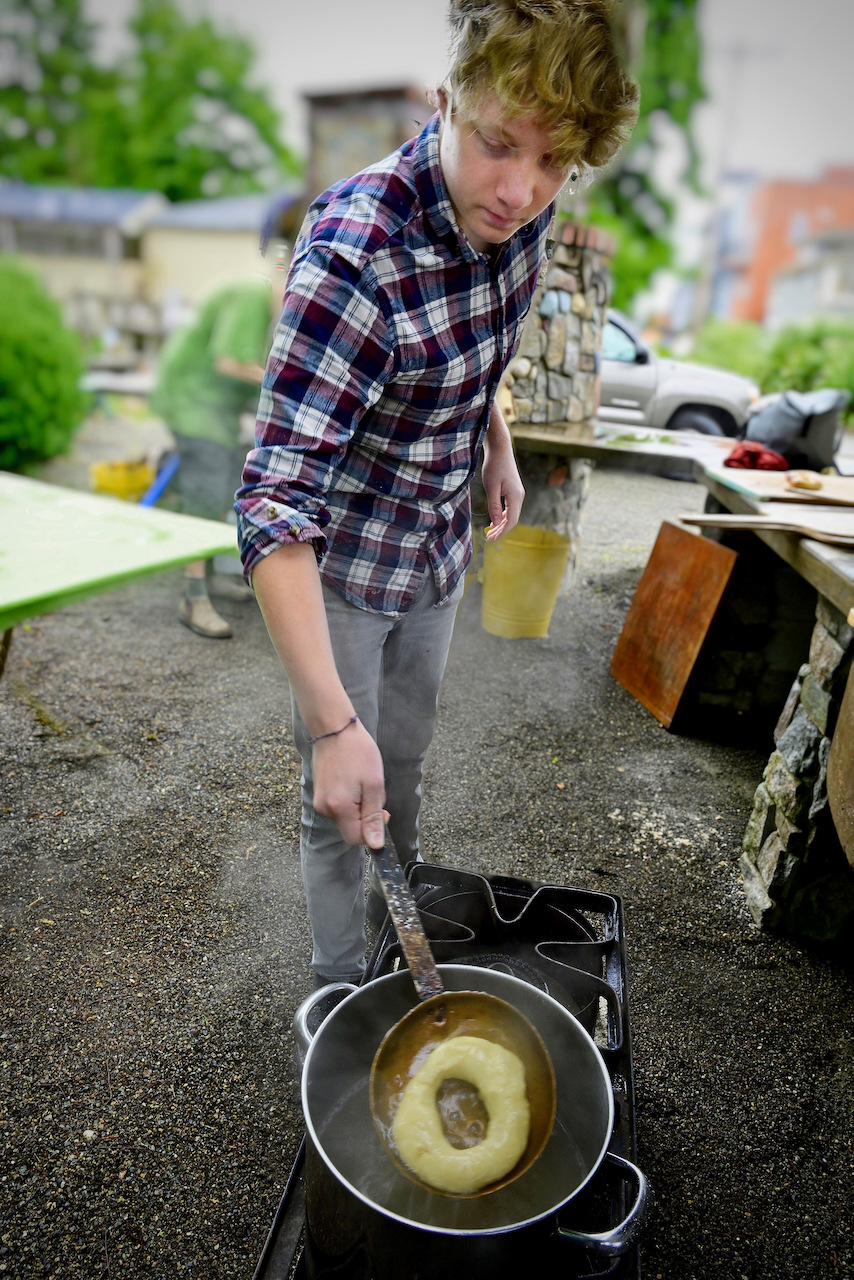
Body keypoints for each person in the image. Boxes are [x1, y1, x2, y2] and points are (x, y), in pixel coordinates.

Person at [236, 0, 638, 984]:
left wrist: (491, 442)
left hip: (434, 554)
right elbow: (272, 504)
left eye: (553, 166)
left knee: (400, 767)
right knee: (339, 791)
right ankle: (341, 997)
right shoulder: (352, 252)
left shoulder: (520, 223)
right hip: (341, 570)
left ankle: (395, 926)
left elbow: (471, 358)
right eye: (499, 144)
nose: (519, 190)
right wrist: (331, 727)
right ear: (447, 95)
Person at [151, 274, 276, 638]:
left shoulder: (261, 298)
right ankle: (192, 597)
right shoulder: (254, 294)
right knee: (207, 487)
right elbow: (229, 362)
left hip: (210, 405)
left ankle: (209, 572)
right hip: (191, 401)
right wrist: (281, 382)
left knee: (227, 482)